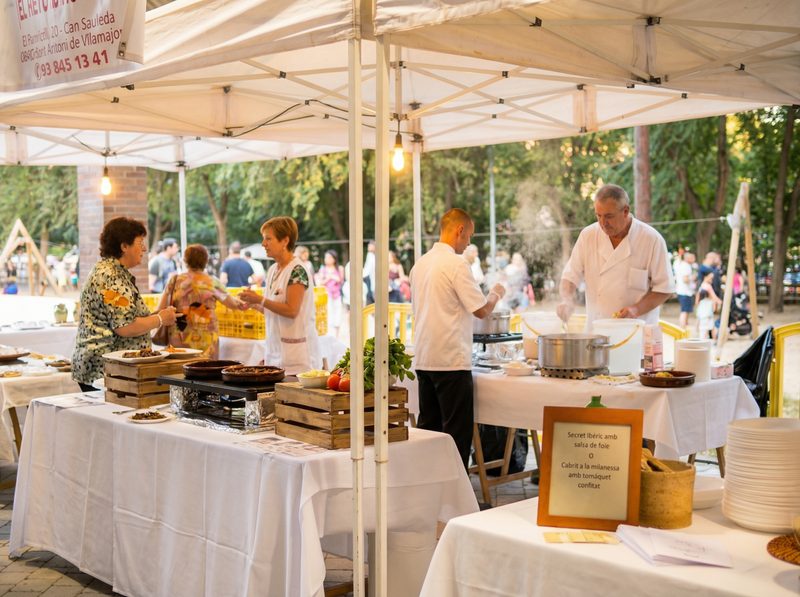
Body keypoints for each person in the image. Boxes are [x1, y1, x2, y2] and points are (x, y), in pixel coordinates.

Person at [410, 208, 506, 469]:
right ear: (459, 230)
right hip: (451, 360)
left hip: (424, 357)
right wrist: (496, 293)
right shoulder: (456, 264)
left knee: (429, 432)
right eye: (469, 236)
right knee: (456, 436)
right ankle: (457, 498)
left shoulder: (420, 264)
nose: (469, 243)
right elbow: (482, 311)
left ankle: (429, 491)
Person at [72, 217, 177, 391]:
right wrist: (159, 319)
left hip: (109, 365)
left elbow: (127, 317)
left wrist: (160, 314)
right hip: (104, 367)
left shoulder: (112, 272)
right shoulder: (111, 276)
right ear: (124, 246)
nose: (144, 248)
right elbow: (125, 326)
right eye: (140, 242)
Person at [557, 184, 674, 327]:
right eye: (598, 216)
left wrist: (636, 309)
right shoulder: (588, 236)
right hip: (596, 331)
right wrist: (567, 300)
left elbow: (664, 289)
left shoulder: (651, 240)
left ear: (625, 211)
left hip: (636, 332)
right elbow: (570, 277)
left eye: (609, 216)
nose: (602, 223)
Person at [238, 217, 321, 374]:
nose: (263, 244)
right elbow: (274, 310)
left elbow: (291, 310)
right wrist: (254, 304)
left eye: (268, 239)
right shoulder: (273, 270)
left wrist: (260, 299)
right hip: (275, 354)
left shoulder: (297, 270)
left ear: (285, 241)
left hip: (298, 359)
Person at [156, 244, 246, 358]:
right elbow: (232, 304)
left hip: (180, 332)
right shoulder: (212, 282)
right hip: (207, 333)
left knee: (179, 370)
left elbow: (160, 308)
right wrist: (245, 302)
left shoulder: (175, 280)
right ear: (206, 261)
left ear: (185, 260)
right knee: (206, 370)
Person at [315, 250, 345, 337]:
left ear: (334, 259)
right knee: (329, 315)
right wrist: (329, 278)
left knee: (338, 315)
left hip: (337, 295)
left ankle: (336, 336)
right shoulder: (323, 269)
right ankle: (330, 335)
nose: (327, 259)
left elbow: (340, 280)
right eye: (326, 257)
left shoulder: (339, 268)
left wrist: (332, 276)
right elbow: (320, 282)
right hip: (327, 295)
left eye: (329, 257)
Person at [675, 251, 696, 330]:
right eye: (692, 257)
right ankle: (683, 327)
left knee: (685, 310)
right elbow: (685, 279)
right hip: (685, 291)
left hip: (683, 291)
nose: (694, 259)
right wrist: (692, 278)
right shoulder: (686, 266)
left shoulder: (681, 265)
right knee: (685, 311)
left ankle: (684, 327)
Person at [363, 240, 376, 305]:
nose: (368, 246)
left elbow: (369, 268)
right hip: (369, 277)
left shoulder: (372, 255)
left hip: (370, 278)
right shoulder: (370, 255)